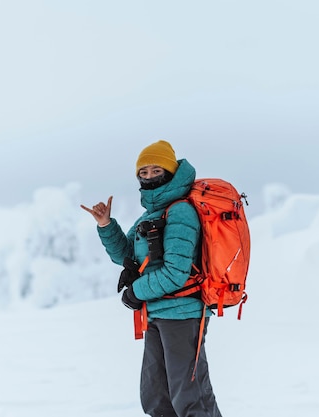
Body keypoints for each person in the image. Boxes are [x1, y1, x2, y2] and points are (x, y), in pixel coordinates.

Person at [81, 140, 222, 417]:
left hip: (183, 314)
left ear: (169, 173)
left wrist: (135, 292)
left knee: (190, 397)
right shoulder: (152, 213)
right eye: (142, 173)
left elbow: (176, 273)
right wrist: (106, 225)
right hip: (157, 313)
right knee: (157, 397)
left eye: (156, 170)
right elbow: (126, 255)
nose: (148, 177)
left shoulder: (181, 212)